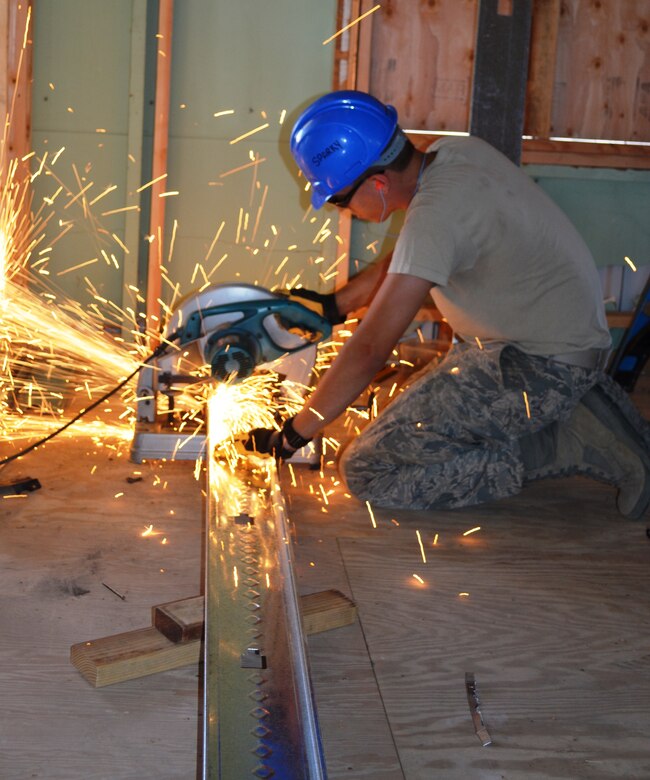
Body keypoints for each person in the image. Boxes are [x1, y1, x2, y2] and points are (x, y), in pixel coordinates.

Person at [246, 90, 650, 519]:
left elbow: (368, 351)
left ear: (378, 183)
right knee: (397, 406)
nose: (342, 212)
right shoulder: (452, 154)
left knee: (367, 470)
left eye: (340, 200)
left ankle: (559, 440)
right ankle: (575, 406)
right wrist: (334, 305)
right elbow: (410, 259)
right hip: (544, 341)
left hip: (536, 367)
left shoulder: (435, 216)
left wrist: (292, 435)